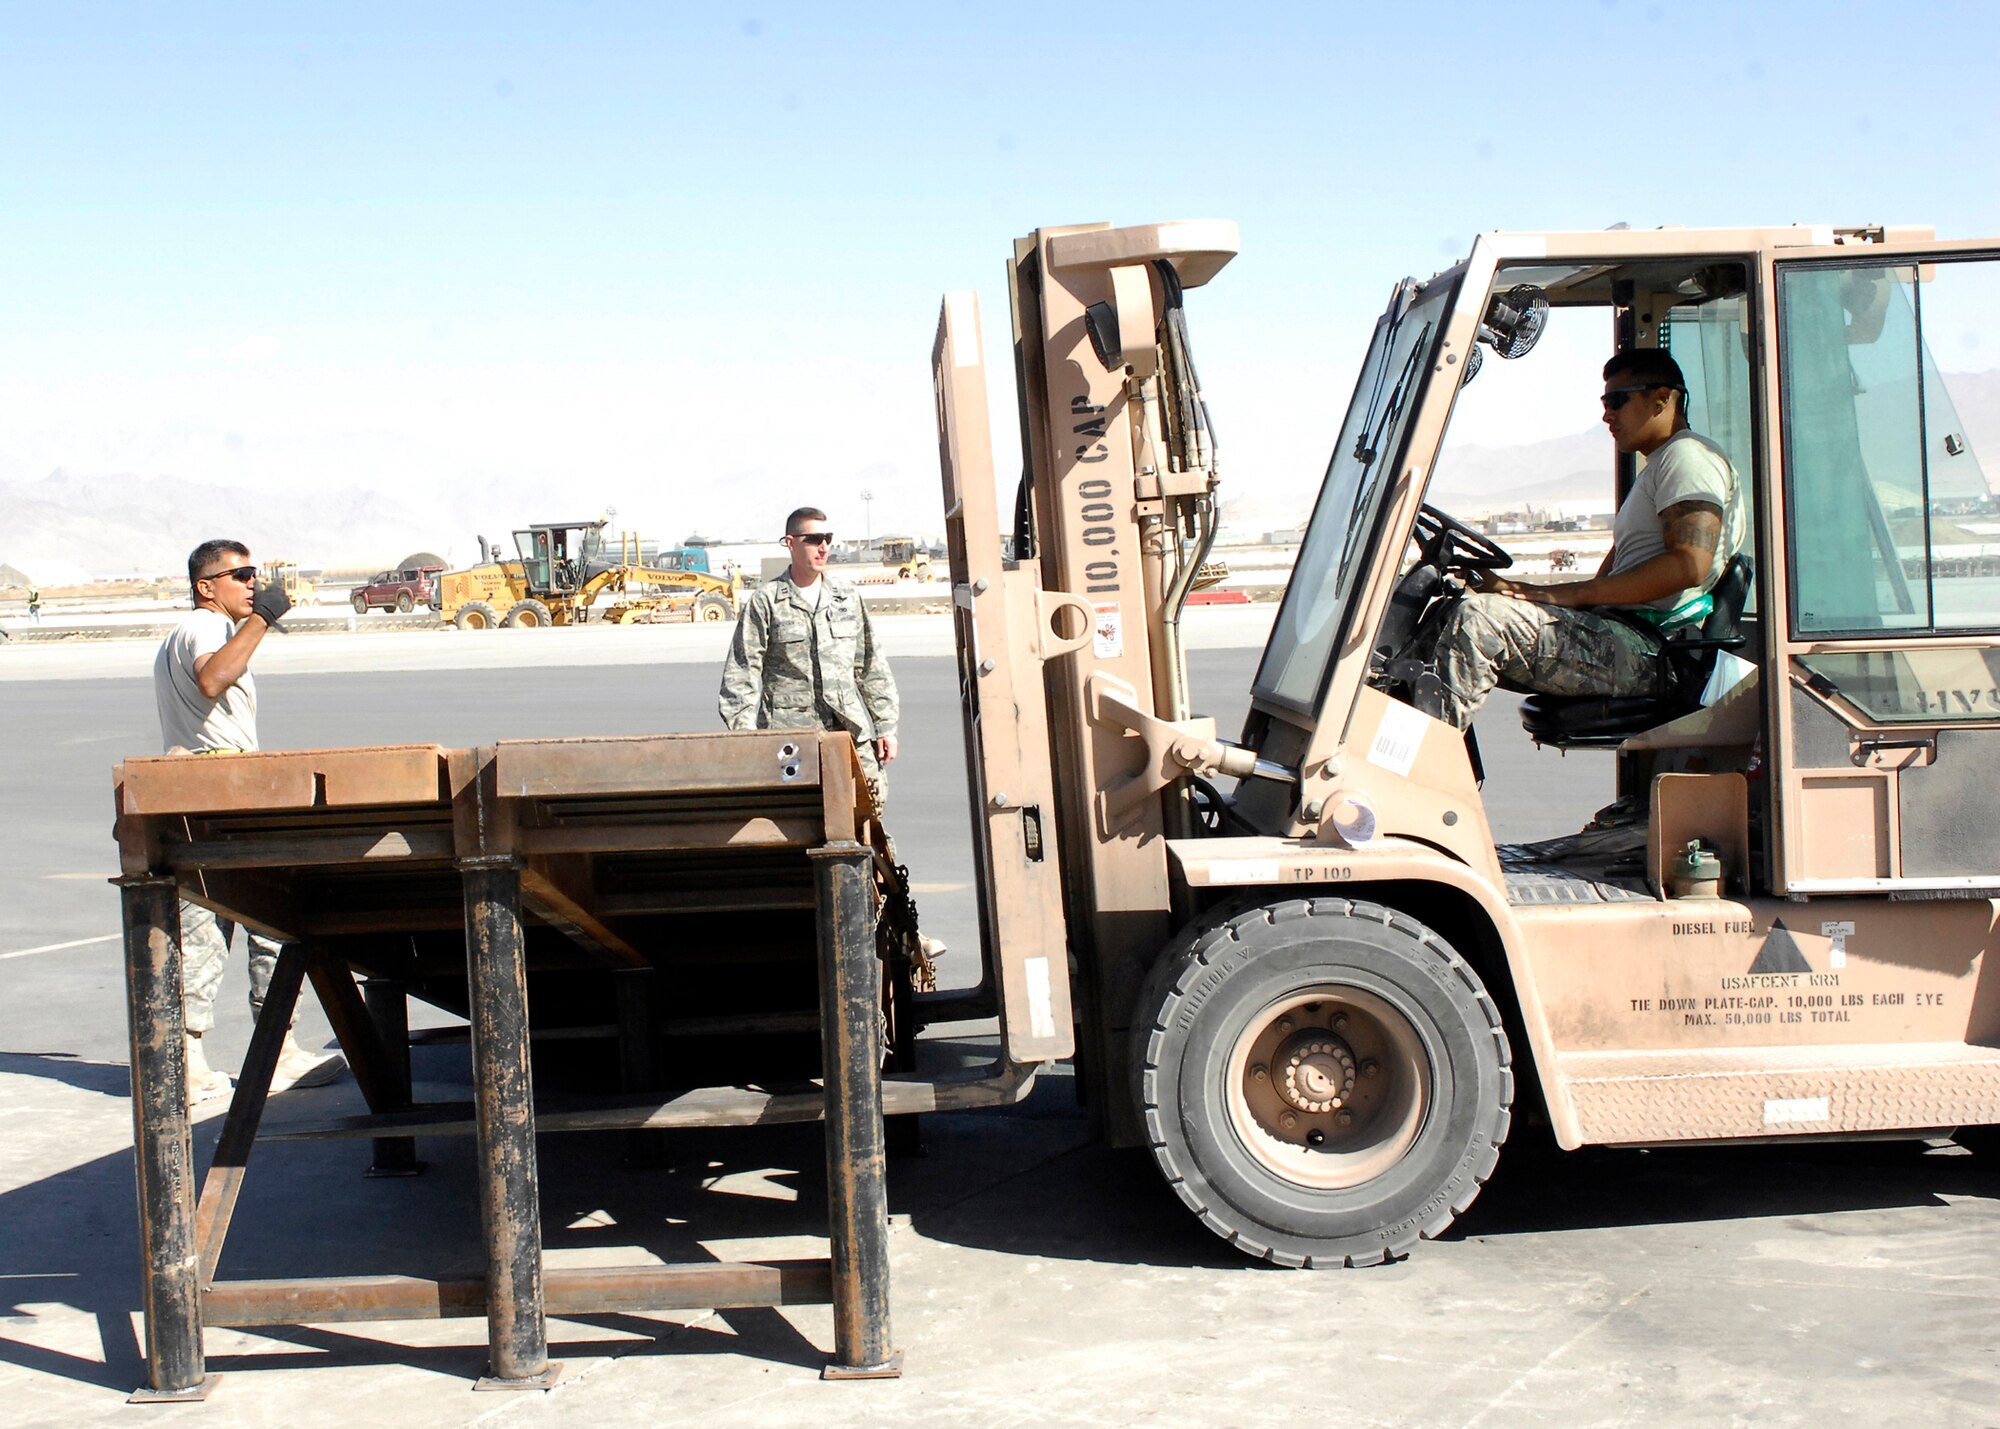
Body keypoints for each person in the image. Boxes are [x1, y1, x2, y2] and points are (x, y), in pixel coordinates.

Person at [1420, 350, 1746, 730]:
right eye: (1605, 402)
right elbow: (1610, 580)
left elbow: (1689, 564)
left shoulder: (1688, 457)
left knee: (1479, 622)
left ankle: (1422, 765)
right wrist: (1523, 591)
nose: (1607, 414)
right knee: (1446, 615)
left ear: (1661, 397)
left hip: (1654, 651)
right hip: (1627, 637)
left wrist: (1573, 595)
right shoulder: (1659, 466)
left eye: (1617, 400)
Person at [154, 539, 345, 1104]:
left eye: (254, 575)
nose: (252, 585)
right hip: (222, 792)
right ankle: (263, 1052)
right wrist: (262, 619)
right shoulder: (203, 630)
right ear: (205, 586)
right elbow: (213, 679)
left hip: (209, 791)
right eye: (239, 576)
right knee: (262, 919)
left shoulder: (202, 632)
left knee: (220, 924)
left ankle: (205, 1060)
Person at [719, 506, 900, 808]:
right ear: (790, 542)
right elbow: (742, 673)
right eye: (814, 539)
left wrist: (886, 727)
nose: (824, 547)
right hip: (789, 739)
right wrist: (746, 739)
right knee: (791, 819)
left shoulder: (846, 597)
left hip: (848, 734)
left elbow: (870, 666)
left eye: (827, 538)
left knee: (869, 814)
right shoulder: (767, 602)